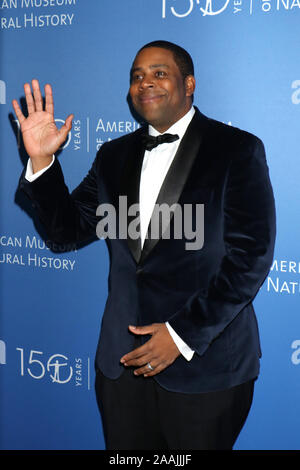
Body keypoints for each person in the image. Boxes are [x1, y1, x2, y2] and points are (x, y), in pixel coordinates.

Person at [13, 40, 276, 450]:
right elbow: (65, 232)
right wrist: (44, 164)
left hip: (203, 369)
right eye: (137, 76)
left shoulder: (236, 149)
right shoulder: (113, 156)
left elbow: (251, 259)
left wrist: (182, 335)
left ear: (188, 84)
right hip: (122, 371)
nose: (145, 83)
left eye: (159, 73)